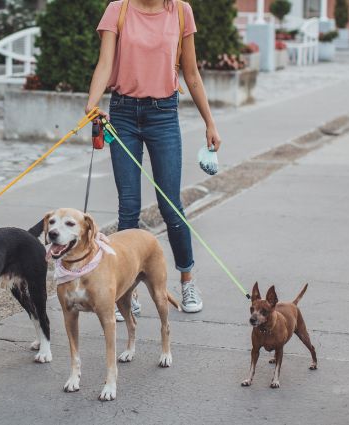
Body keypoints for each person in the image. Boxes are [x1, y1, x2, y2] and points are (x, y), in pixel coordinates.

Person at [85, 0, 222, 314]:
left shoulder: (181, 11)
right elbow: (105, 64)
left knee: (170, 204)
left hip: (163, 114)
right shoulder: (117, 10)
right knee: (129, 206)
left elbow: (191, 72)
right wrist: (91, 103)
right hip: (122, 113)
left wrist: (210, 122)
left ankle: (187, 280)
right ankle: (126, 289)